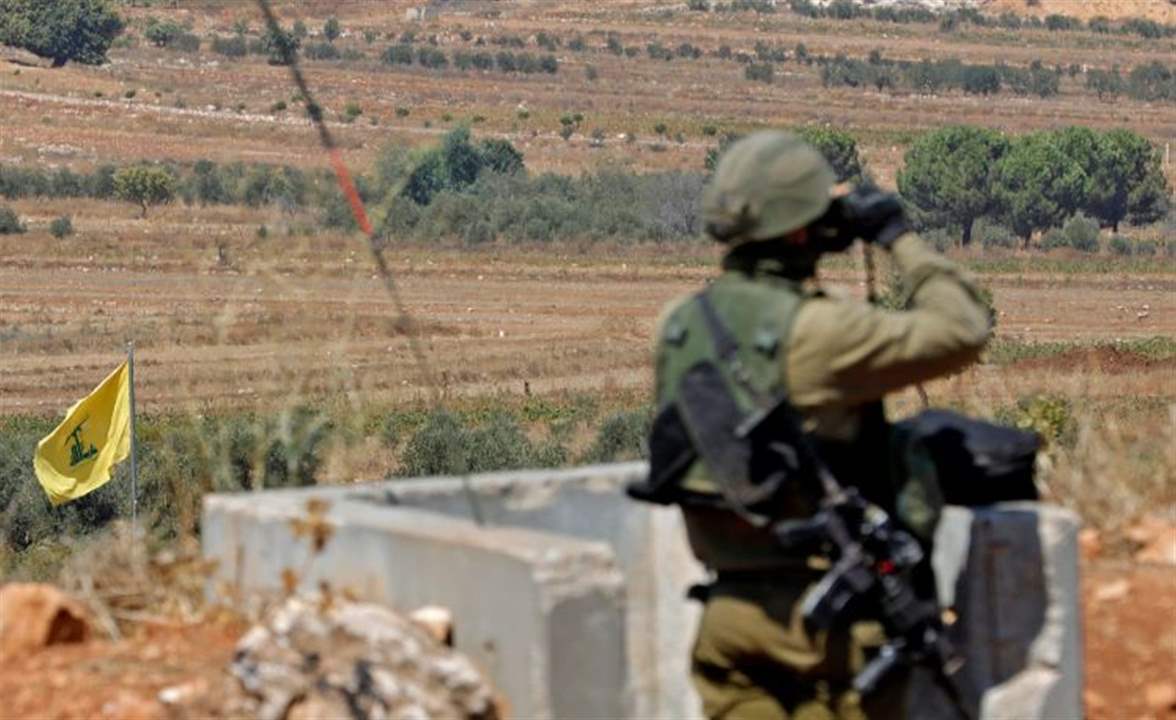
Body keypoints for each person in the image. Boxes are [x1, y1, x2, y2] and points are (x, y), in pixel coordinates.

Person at [648, 131, 993, 720]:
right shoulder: (820, 331)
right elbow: (963, 328)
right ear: (800, 232)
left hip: (727, 621)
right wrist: (895, 235)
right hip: (827, 633)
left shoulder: (679, 324)